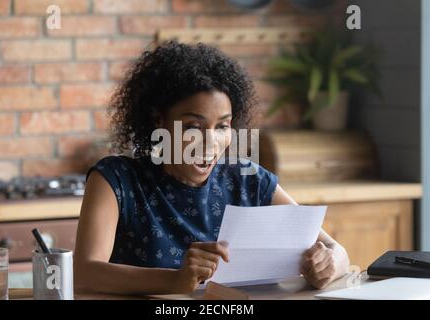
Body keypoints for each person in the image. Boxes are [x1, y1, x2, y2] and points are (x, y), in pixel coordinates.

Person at [74, 41, 349, 295]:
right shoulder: (117, 180)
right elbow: (85, 272)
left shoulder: (246, 178)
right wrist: (175, 281)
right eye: (194, 127)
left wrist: (329, 264)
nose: (210, 143)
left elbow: (337, 251)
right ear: (159, 121)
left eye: (222, 127)